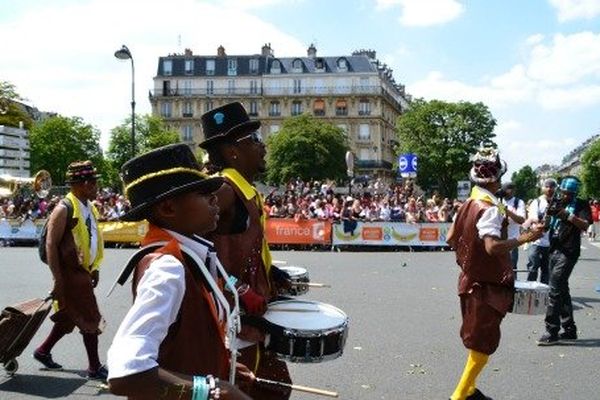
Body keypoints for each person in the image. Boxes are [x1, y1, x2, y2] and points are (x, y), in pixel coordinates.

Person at [106, 144, 252, 400]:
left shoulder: (186, 257)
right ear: (168, 209)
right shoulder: (167, 268)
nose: (215, 198)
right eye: (202, 193)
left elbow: (180, 342)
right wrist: (213, 389)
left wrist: (220, 365)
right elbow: (126, 373)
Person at [199, 102, 292, 400]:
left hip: (253, 314)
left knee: (275, 390)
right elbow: (195, 253)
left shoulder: (246, 189)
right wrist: (237, 288)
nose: (263, 146)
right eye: (254, 140)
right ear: (232, 152)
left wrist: (271, 273)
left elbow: (245, 248)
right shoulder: (224, 191)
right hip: (233, 322)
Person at [446, 147, 543, 400]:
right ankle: (459, 395)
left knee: (479, 338)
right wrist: (527, 237)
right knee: (483, 343)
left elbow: (449, 237)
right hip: (486, 285)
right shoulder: (488, 207)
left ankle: (468, 389)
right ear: (496, 179)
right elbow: (491, 247)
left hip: (469, 280)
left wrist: (523, 223)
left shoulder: (471, 202)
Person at [33, 161, 108, 380]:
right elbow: (51, 244)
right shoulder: (63, 208)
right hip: (69, 274)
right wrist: (58, 279)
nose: (96, 187)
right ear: (83, 184)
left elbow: (90, 238)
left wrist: (94, 268)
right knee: (90, 317)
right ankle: (94, 367)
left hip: (82, 271)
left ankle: (42, 351)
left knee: (67, 318)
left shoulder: (88, 206)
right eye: (93, 183)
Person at [537, 176, 592, 345]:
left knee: (554, 290)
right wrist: (543, 223)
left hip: (569, 251)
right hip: (553, 249)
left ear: (574, 193)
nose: (565, 196)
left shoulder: (581, 204)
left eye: (569, 193)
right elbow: (547, 224)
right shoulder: (556, 201)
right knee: (562, 290)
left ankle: (551, 331)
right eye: (564, 192)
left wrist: (568, 216)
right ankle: (569, 329)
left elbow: (584, 225)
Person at [523, 178, 557, 284]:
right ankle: (530, 292)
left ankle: (544, 294)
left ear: (555, 188)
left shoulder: (558, 202)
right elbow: (533, 217)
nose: (549, 189)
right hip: (536, 241)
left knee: (546, 270)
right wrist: (542, 220)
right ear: (542, 188)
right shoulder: (536, 202)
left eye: (551, 186)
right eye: (546, 186)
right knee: (533, 267)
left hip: (551, 242)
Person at [499, 182, 526, 269]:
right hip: (499, 240)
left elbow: (521, 220)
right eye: (505, 189)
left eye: (510, 188)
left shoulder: (518, 202)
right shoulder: (499, 201)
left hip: (512, 241)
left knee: (511, 269)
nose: (508, 191)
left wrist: (508, 212)